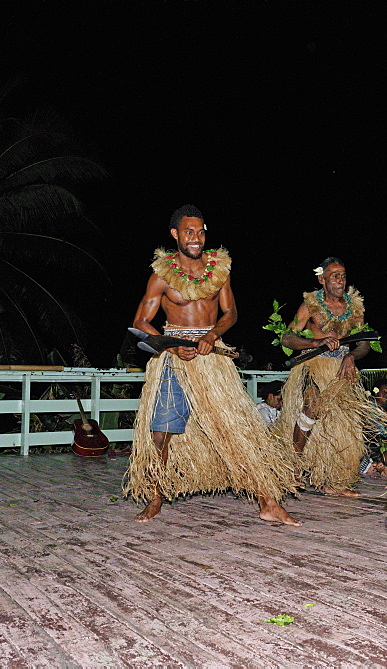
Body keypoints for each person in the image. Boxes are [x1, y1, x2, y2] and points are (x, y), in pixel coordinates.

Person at [125, 205, 300, 525]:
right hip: (173, 357)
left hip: (211, 356)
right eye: (189, 232)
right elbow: (141, 321)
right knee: (160, 431)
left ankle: (267, 502)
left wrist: (213, 334)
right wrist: (175, 346)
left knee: (237, 430)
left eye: (201, 231)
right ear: (175, 234)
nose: (197, 238)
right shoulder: (161, 276)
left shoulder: (219, 270)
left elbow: (230, 313)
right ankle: (154, 498)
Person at [274, 258, 387, 496]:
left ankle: (335, 481)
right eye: (334, 275)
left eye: (343, 275)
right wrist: (316, 342)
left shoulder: (355, 307)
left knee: (345, 425)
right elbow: (287, 338)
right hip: (313, 364)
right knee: (313, 407)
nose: (340, 280)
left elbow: (364, 343)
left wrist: (351, 357)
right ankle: (293, 466)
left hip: (342, 368)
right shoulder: (309, 305)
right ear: (322, 279)